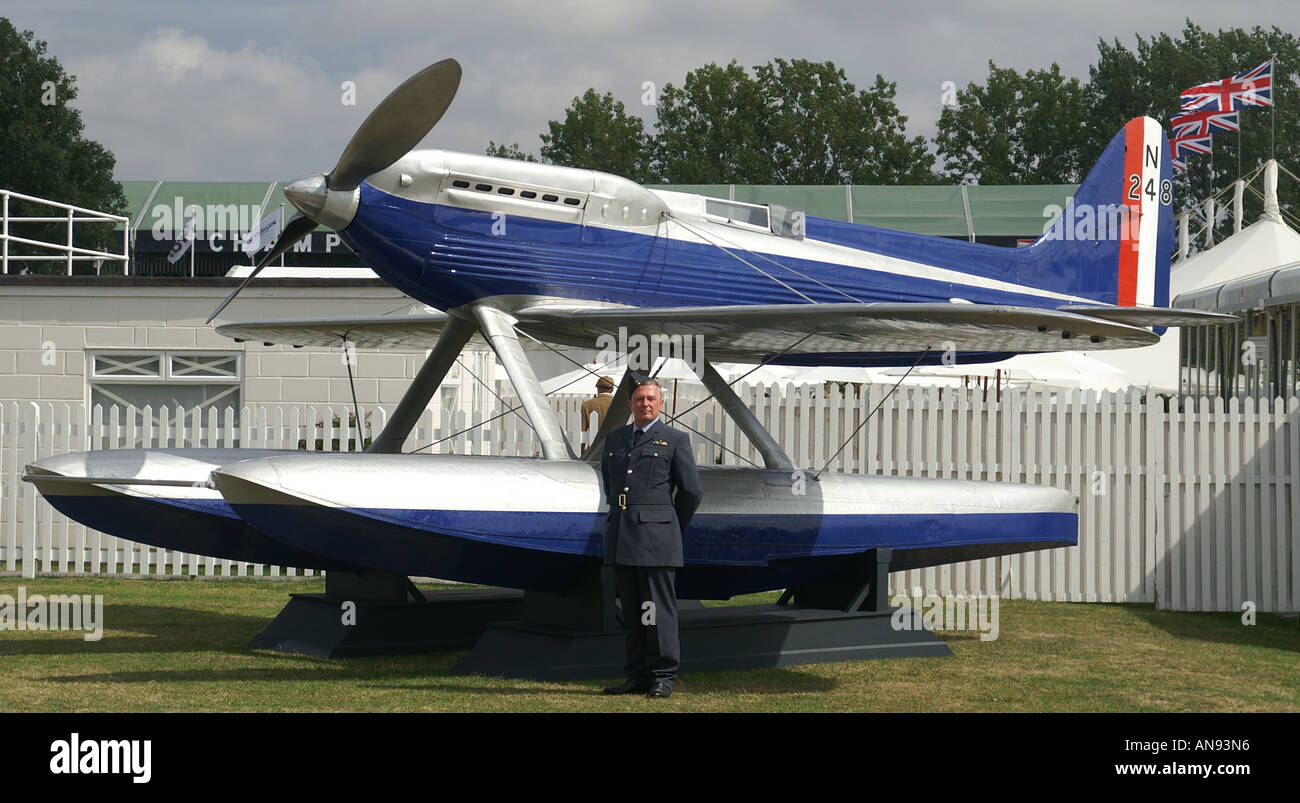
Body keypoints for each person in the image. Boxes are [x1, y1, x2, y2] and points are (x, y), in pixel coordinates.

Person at [599, 376, 703, 699]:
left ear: (661, 405)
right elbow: (610, 485)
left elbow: (691, 491)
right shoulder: (615, 439)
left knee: (657, 611)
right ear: (630, 404)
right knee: (631, 611)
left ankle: (663, 675)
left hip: (657, 540)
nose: (644, 404)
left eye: (650, 399)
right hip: (623, 536)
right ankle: (636, 675)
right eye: (639, 399)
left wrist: (669, 526)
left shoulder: (674, 440)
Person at [580, 375, 615, 452]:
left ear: (598, 388)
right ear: (612, 389)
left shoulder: (587, 405)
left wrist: (582, 452)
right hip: (615, 446)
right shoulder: (619, 404)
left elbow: (583, 431)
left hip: (594, 448)